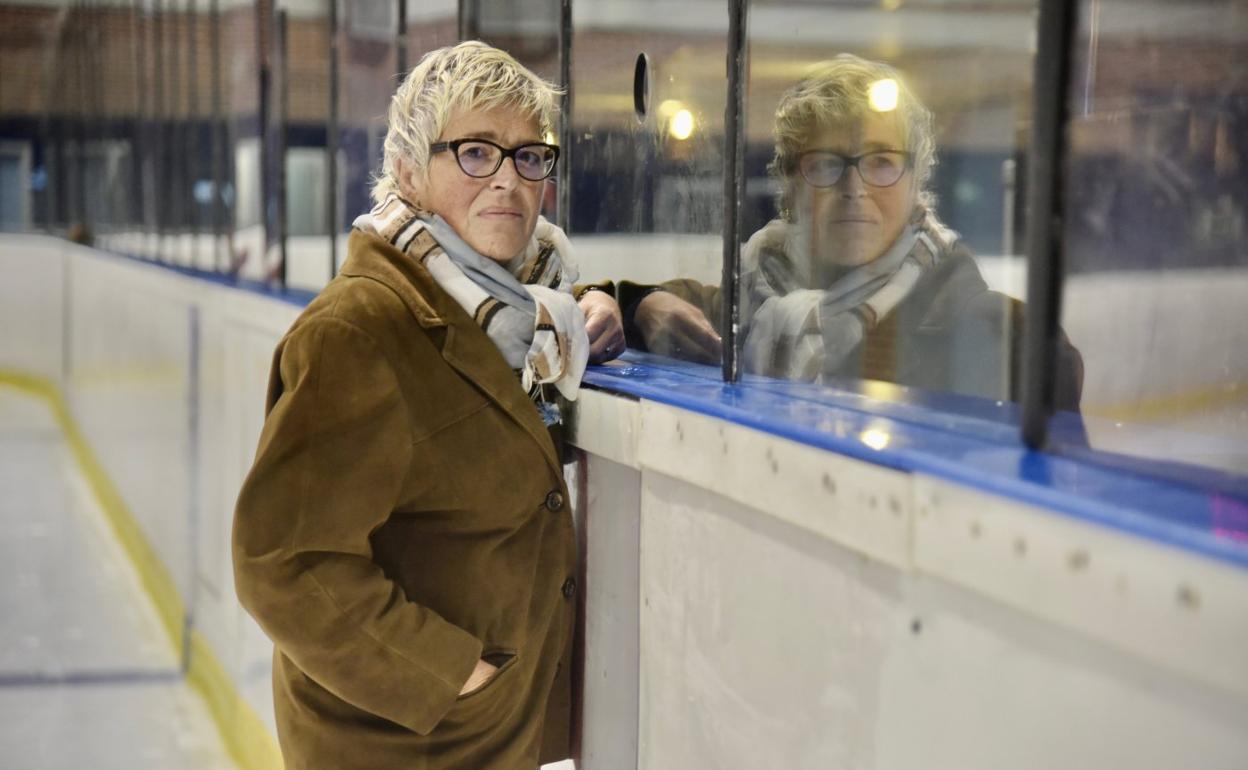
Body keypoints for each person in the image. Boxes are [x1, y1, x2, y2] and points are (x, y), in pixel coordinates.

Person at [232, 41, 622, 770]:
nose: (507, 179)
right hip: (397, 747)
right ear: (408, 172)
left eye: (528, 156)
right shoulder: (358, 330)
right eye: (475, 152)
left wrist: (632, 303)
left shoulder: (523, 314)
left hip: (485, 740)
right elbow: (283, 562)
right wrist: (454, 674)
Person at [626, 54, 1083, 409]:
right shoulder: (742, 304)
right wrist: (639, 304)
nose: (854, 188)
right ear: (792, 186)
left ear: (916, 183)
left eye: (882, 162)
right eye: (826, 164)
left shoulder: (1011, 343)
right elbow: (622, 308)